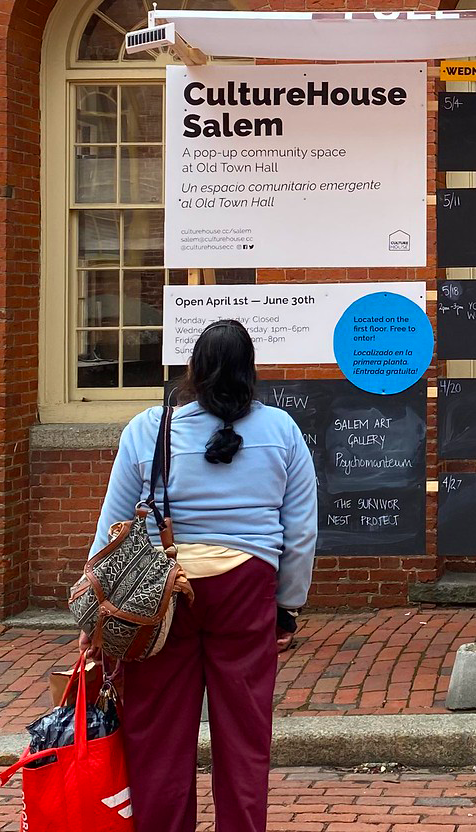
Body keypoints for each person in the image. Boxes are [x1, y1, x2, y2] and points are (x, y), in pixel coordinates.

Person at [87, 318, 318, 832]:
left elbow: (111, 530)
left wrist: (97, 614)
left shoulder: (148, 428)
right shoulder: (282, 431)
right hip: (247, 586)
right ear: (250, 371)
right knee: (245, 733)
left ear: (193, 368)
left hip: (160, 596)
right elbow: (300, 531)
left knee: (157, 733)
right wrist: (287, 605)